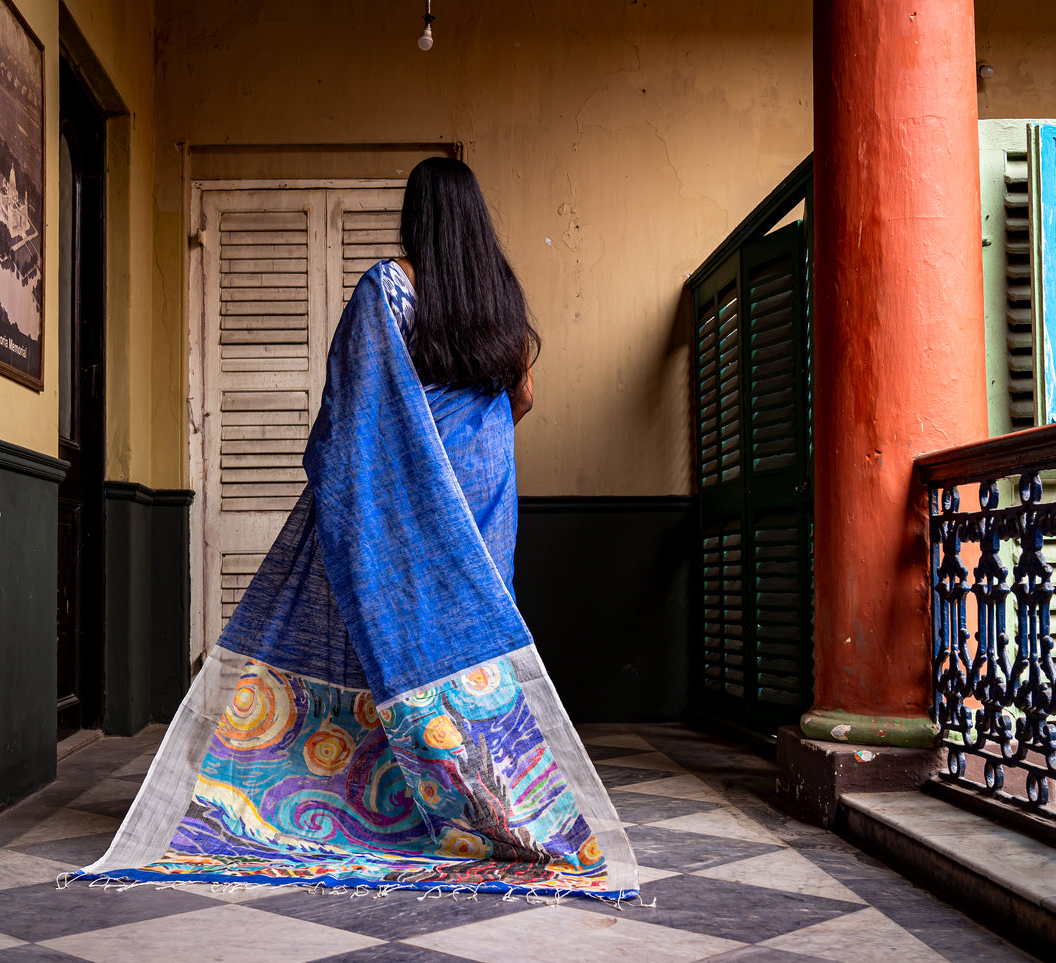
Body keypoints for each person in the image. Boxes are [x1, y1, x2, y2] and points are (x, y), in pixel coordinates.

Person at [76, 158, 639, 900]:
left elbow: (352, 409)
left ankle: (359, 796)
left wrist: (391, 469)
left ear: (417, 215)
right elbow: (521, 395)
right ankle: (486, 803)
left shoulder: (390, 285)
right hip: (481, 493)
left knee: (382, 631)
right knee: (462, 647)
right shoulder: (500, 296)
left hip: (408, 492)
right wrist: (469, 441)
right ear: (475, 218)